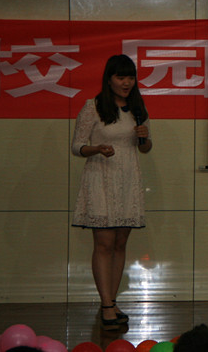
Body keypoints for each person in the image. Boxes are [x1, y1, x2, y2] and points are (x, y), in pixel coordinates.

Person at [71, 54, 153, 331]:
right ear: (109, 79)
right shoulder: (93, 107)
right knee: (104, 244)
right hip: (101, 178)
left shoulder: (137, 108)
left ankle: (112, 300)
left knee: (120, 244)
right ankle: (106, 304)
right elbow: (77, 146)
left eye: (130, 77)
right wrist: (96, 148)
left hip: (128, 180)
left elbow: (145, 147)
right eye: (121, 77)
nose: (126, 82)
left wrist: (144, 138)